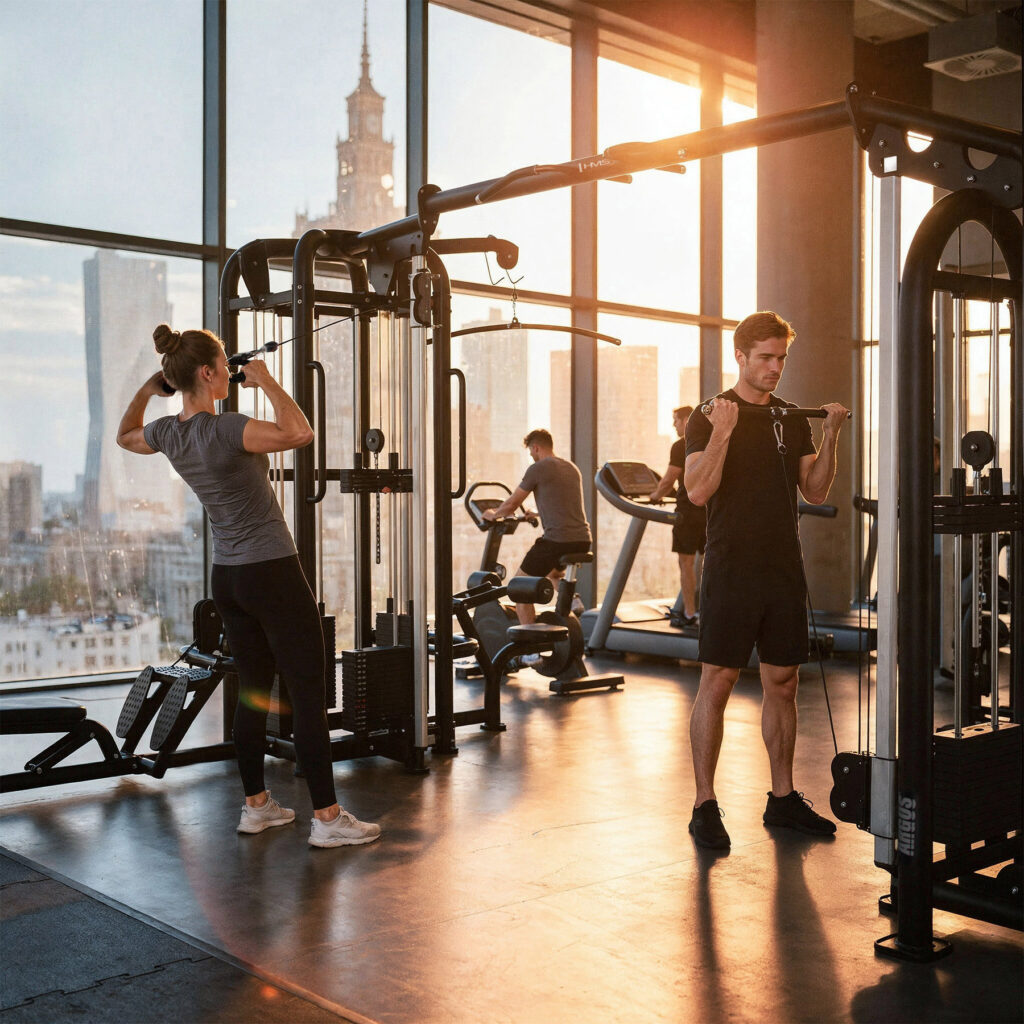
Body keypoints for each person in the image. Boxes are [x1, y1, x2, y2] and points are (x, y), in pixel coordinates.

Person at [116, 323, 380, 850]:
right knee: (307, 691)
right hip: (271, 571)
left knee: (255, 691)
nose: (230, 378)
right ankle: (327, 818)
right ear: (211, 374)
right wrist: (268, 381)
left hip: (229, 579)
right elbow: (299, 433)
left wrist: (149, 390)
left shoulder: (171, 434)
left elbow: (125, 436)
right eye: (224, 370)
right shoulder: (226, 427)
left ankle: (257, 806)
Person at [683, 311, 849, 849]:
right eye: (766, 358)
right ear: (740, 356)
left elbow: (817, 490)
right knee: (718, 683)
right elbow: (697, 492)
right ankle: (705, 805)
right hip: (731, 570)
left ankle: (782, 800)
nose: (775, 368)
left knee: (783, 683)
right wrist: (725, 434)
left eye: (781, 359)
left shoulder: (789, 417)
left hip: (783, 571)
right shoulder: (709, 416)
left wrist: (830, 436)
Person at [481, 429, 592, 626]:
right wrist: (538, 513)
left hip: (557, 541)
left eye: (531, 452)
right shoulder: (571, 468)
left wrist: (492, 514)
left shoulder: (538, 468)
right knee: (554, 574)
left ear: (536, 447)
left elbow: (511, 504)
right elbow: (566, 505)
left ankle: (530, 654)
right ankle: (573, 600)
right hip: (582, 540)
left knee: (520, 590)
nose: (531, 456)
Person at [648, 405, 706, 628]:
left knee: (686, 562)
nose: (674, 425)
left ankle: (690, 614)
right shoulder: (708, 442)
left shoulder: (681, 445)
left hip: (688, 513)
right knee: (710, 563)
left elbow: (669, 479)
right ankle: (709, 613)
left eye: (675, 420)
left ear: (685, 421)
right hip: (709, 512)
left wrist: (655, 495)